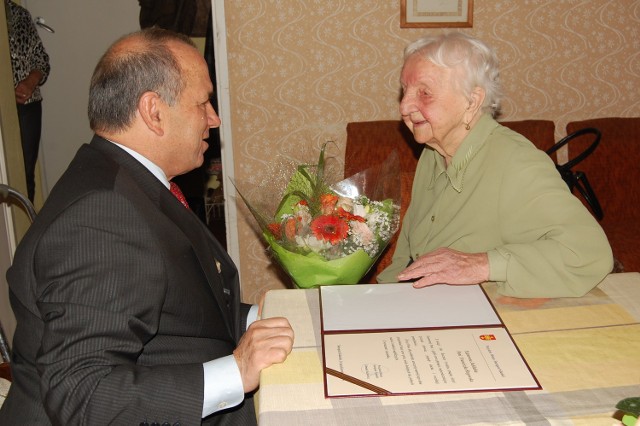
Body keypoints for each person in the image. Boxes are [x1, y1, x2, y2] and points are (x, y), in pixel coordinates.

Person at [0, 28, 293, 425]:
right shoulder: (101, 218)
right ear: (154, 111)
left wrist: (258, 317)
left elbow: (176, 307)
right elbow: (82, 396)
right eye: (203, 103)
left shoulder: (125, 178)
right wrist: (237, 372)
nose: (214, 118)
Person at [377, 32, 613, 298]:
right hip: (427, 305)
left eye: (424, 93)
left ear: (472, 101)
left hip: (489, 317)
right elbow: (408, 255)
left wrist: (483, 264)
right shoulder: (433, 153)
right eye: (405, 90)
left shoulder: (516, 162)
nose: (405, 106)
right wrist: (384, 296)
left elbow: (589, 253)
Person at [5, 0, 51, 202]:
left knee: (25, 174)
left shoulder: (19, 14)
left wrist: (31, 82)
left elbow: (41, 60)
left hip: (27, 104)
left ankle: (29, 228)